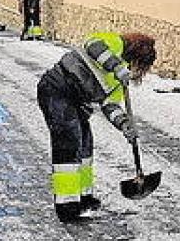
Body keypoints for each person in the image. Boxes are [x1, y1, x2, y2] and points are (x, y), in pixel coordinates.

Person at [37, 32, 157, 222]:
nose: (136, 71)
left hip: (78, 102)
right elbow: (93, 45)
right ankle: (67, 206)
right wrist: (116, 66)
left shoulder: (120, 82)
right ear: (136, 54)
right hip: (57, 89)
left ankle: (84, 197)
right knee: (69, 145)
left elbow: (111, 106)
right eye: (139, 65)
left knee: (85, 146)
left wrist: (125, 125)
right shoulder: (116, 43)